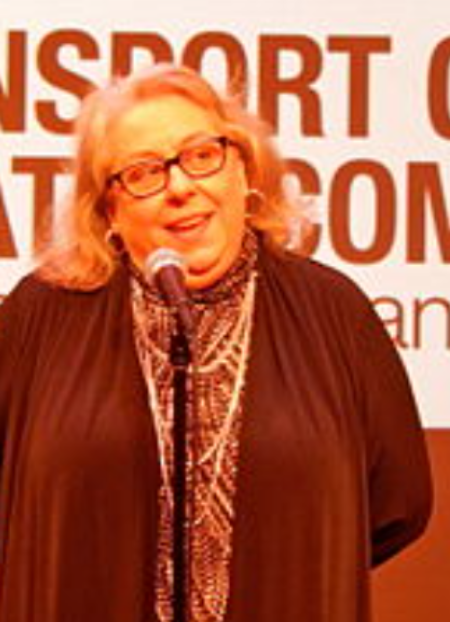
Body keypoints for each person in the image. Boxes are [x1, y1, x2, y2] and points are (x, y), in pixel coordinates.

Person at [0, 64, 432, 622]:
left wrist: (292, 562)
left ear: (243, 170)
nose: (181, 187)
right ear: (110, 209)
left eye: (202, 155)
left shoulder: (334, 311)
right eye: (143, 172)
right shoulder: (41, 314)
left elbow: (398, 503)